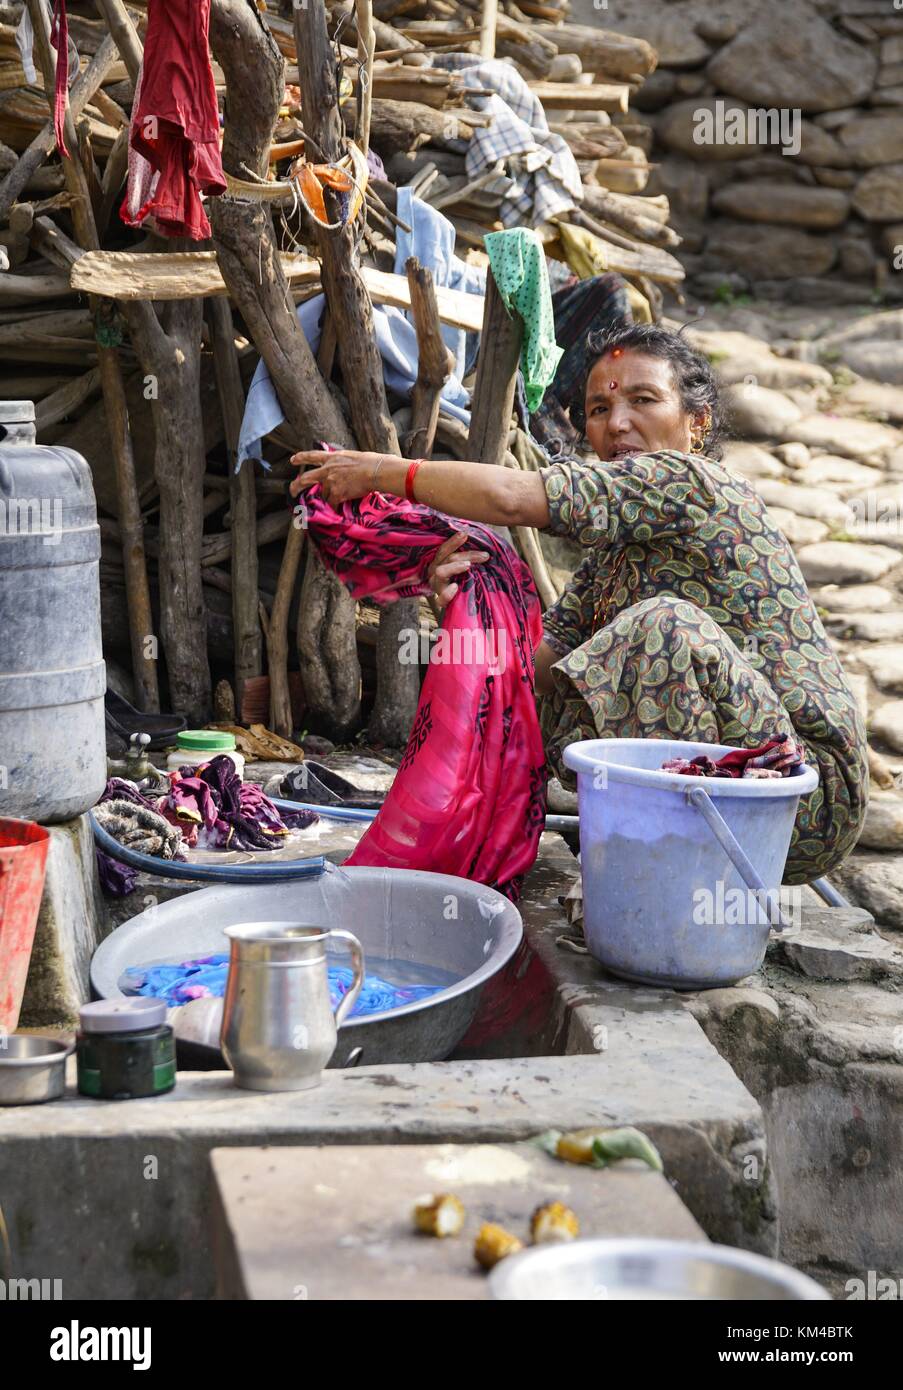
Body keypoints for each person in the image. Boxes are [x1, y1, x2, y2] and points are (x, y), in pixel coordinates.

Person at [290, 323, 868, 884]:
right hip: (735, 788)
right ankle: (626, 856)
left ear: (698, 423)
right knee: (535, 684)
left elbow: (513, 498)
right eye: (598, 410)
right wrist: (466, 603)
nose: (618, 424)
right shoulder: (613, 551)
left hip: (804, 790)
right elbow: (539, 670)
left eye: (643, 400)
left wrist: (382, 472)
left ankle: (672, 877)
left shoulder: (694, 484)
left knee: (662, 628)